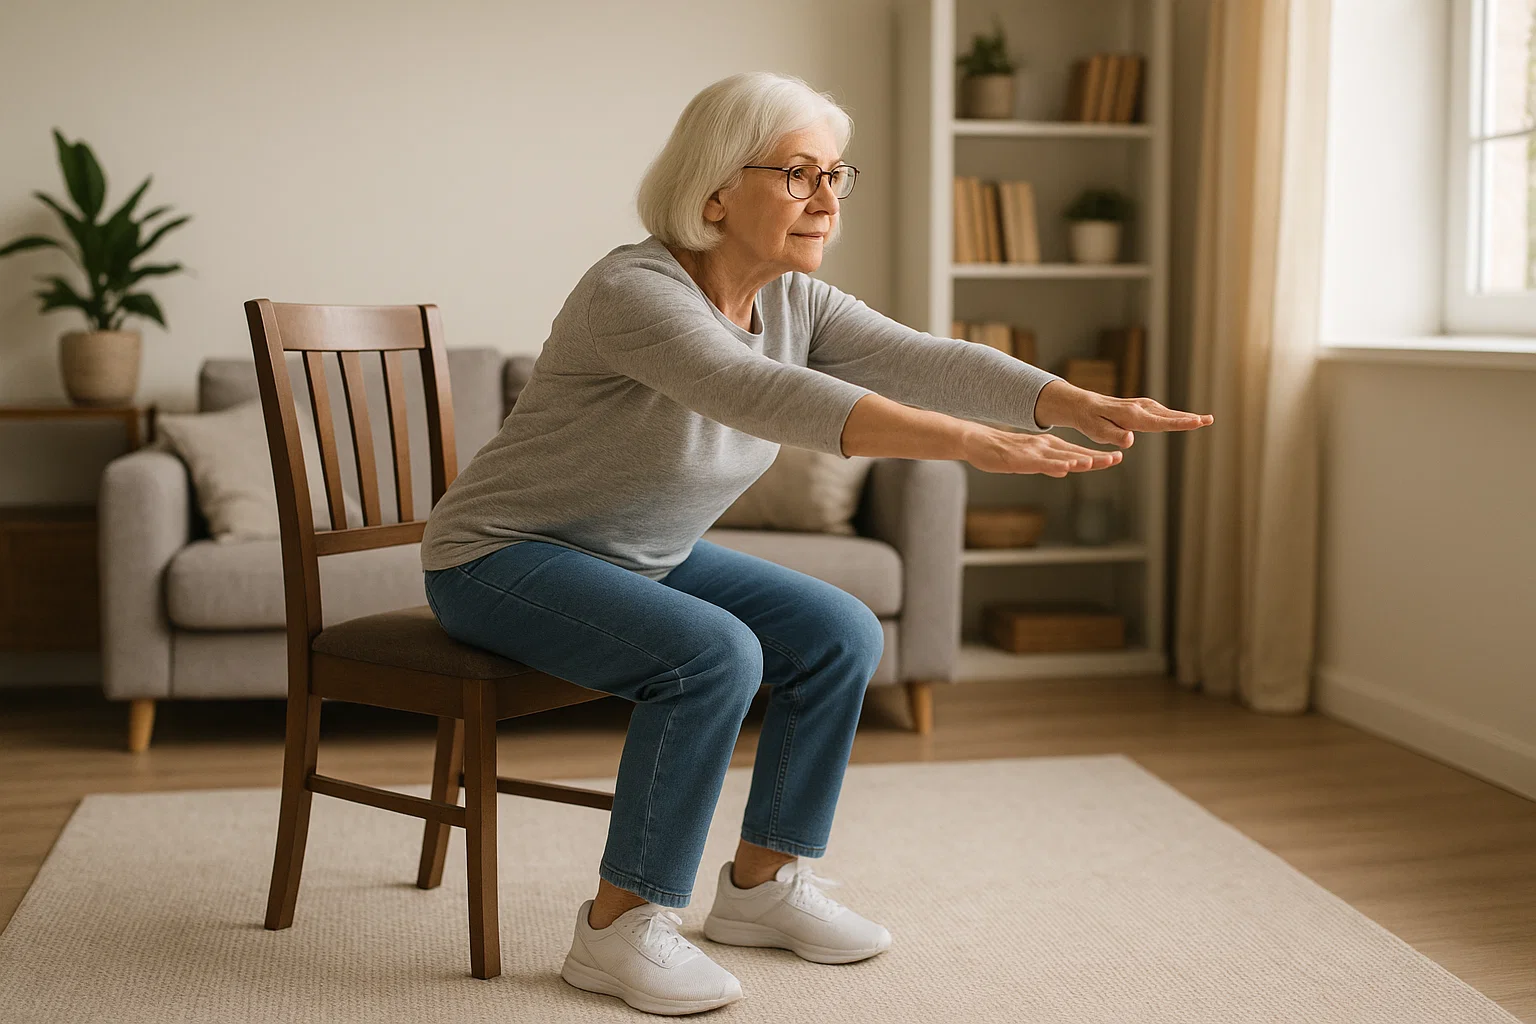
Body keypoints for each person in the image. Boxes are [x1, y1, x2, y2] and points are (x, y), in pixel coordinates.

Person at [420, 70, 1214, 1016]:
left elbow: (931, 359)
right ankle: (616, 928)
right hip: (499, 558)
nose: (828, 198)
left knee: (840, 631)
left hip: (642, 553)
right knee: (714, 655)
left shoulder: (796, 302)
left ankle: (760, 889)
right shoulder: (632, 290)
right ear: (714, 189)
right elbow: (758, 393)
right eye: (799, 174)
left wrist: (1076, 401)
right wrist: (969, 442)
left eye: (837, 175)